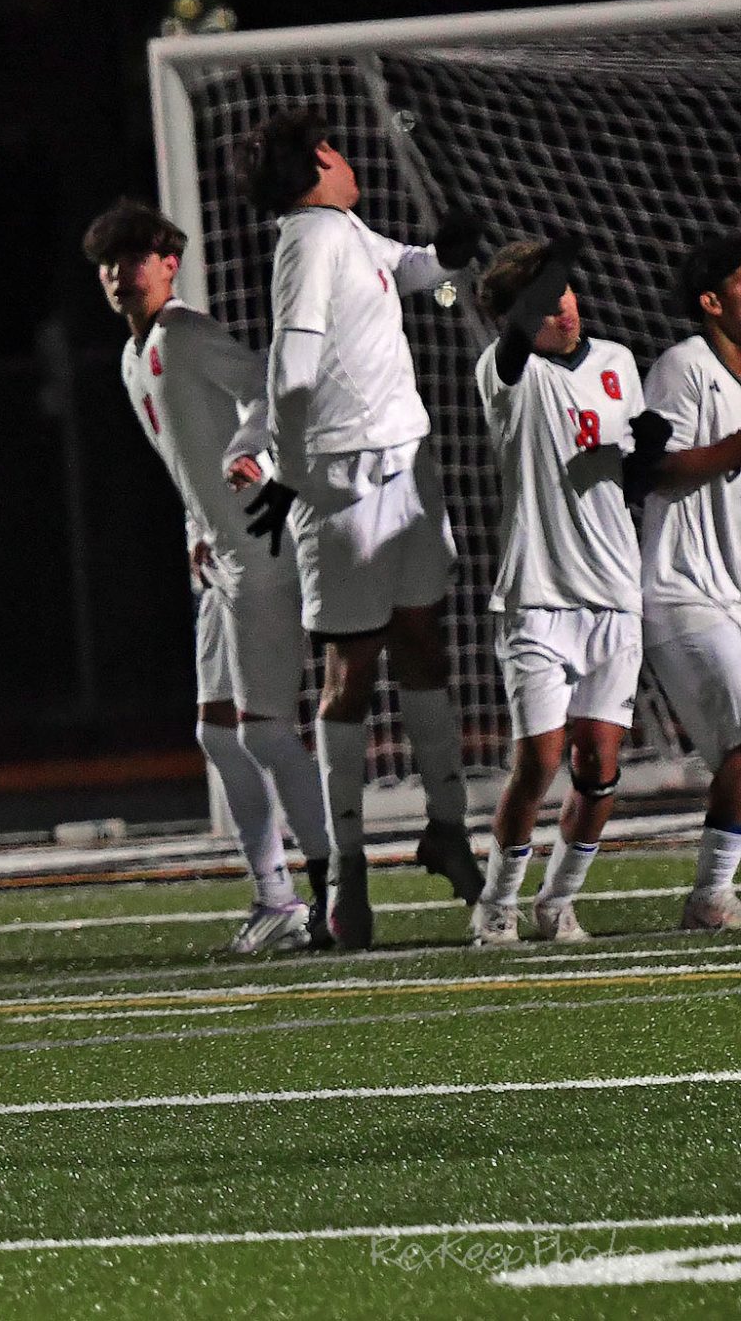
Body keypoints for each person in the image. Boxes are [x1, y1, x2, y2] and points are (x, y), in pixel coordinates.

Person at [233, 107, 485, 949]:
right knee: (352, 670)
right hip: (343, 482)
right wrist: (288, 474)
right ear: (316, 163)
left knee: (422, 644)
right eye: (333, 149)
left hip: (407, 468)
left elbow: (412, 272)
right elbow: (291, 367)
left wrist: (446, 257)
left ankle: (446, 824)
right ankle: (346, 869)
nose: (347, 158)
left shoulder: (345, 229)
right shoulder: (307, 241)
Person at [83, 198, 332, 953]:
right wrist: (196, 528)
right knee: (218, 735)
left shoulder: (185, 333)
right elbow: (186, 455)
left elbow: (267, 390)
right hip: (220, 558)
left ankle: (335, 889)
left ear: (170, 265)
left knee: (265, 731)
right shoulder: (134, 356)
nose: (119, 274)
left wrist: (254, 449)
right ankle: (275, 898)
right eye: (108, 263)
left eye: (135, 259)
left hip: (260, 552)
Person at [470, 238, 664, 944]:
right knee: (539, 761)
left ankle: (558, 901)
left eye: (568, 294)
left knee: (599, 764)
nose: (565, 310)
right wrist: (542, 278)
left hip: (613, 592)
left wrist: (646, 458)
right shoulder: (506, 371)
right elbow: (517, 343)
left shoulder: (616, 362)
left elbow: (624, 482)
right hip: (537, 596)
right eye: (548, 303)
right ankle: (497, 903)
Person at [637, 233, 741, 933]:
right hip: (684, 590)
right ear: (712, 301)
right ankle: (709, 895)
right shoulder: (684, 366)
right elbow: (654, 468)